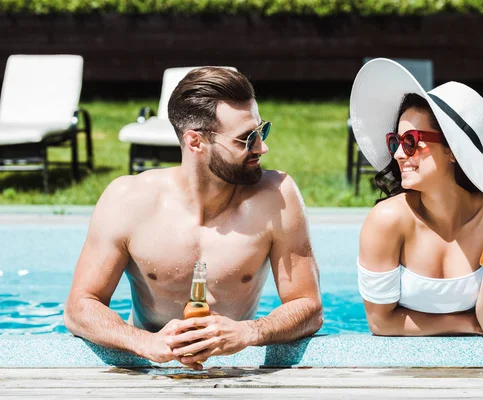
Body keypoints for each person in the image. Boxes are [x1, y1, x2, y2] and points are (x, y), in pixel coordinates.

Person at [64, 67, 323, 369]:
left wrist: (249, 332)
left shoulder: (276, 197)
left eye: (261, 131)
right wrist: (145, 343)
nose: (262, 147)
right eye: (246, 139)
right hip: (150, 368)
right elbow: (79, 307)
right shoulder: (128, 200)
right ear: (195, 142)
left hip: (236, 370)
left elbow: (309, 306)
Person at [350, 59, 483, 337]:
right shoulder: (387, 220)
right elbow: (380, 323)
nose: (398, 155)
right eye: (395, 142)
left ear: (453, 151)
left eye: (410, 141)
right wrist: (466, 324)